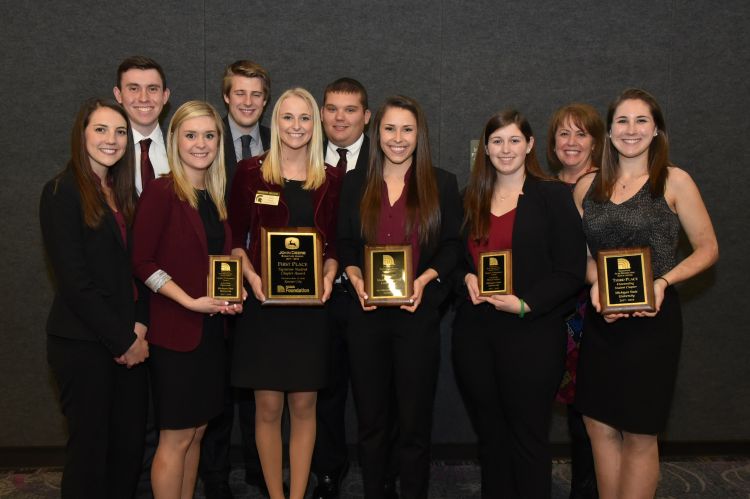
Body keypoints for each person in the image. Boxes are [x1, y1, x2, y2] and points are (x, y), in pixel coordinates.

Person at [573, 88, 719, 499]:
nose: (631, 130)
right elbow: (582, 258)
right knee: (597, 423)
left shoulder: (675, 180)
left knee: (639, 431)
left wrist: (663, 281)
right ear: (610, 129)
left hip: (654, 324)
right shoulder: (587, 186)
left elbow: (708, 248)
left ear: (656, 130)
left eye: (641, 121)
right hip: (604, 320)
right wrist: (597, 284)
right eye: (622, 120)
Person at [452, 110, 586, 498]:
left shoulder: (552, 196)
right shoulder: (469, 198)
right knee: (490, 436)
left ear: (529, 145)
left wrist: (525, 304)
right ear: (485, 149)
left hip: (532, 333)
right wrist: (466, 278)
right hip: (475, 334)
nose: (505, 149)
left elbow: (571, 271)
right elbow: (457, 261)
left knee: (527, 436)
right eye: (497, 141)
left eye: (514, 140)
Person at [337, 95, 462, 498]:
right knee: (371, 422)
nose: (398, 138)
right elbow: (344, 242)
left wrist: (425, 281)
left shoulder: (441, 182)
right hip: (366, 316)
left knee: (413, 423)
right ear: (377, 132)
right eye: (390, 128)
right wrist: (354, 275)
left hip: (416, 315)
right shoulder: (355, 181)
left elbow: (451, 247)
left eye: (407, 129)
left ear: (419, 134)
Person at [228, 87, 342, 499]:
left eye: (304, 118)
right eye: (288, 117)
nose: (296, 126)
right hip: (263, 308)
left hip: (311, 310)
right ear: (275, 123)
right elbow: (233, 239)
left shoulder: (330, 179)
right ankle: (275, 495)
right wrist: (250, 276)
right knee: (268, 408)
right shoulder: (249, 173)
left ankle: (297, 496)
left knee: (304, 407)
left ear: (316, 124)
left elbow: (333, 246)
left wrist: (328, 275)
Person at [40, 98, 150, 498]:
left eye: (120, 132)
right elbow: (74, 282)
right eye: (101, 130)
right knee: (90, 453)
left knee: (127, 450)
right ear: (81, 134)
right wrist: (122, 340)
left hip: (132, 342)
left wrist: (139, 326)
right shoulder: (60, 192)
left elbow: (138, 269)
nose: (112, 139)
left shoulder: (122, 194)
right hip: (84, 345)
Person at [132, 100, 242, 499]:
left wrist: (234, 291)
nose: (201, 144)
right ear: (175, 139)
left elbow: (215, 262)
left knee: (196, 433)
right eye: (191, 135)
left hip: (211, 334)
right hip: (176, 335)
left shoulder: (213, 195)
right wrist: (189, 301)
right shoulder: (162, 191)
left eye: (209, 136)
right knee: (175, 438)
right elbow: (142, 262)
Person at [199, 59, 272, 499]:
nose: (247, 101)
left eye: (256, 94)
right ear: (226, 96)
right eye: (239, 93)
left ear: (266, 101)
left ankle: (260, 469)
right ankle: (216, 476)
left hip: (267, 280)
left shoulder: (281, 144)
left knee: (260, 379)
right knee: (219, 383)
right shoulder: (207, 142)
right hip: (216, 277)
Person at [314, 77, 372, 499]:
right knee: (325, 394)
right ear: (321, 113)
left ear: (366, 117)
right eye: (332, 108)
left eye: (350, 110)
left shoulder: (389, 157)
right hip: (318, 299)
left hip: (371, 298)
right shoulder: (301, 156)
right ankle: (328, 473)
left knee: (375, 394)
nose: (340, 117)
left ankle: (379, 475)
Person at [546, 103, 605, 499]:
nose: (571, 142)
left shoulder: (607, 188)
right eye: (564, 134)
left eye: (581, 134)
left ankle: (587, 490)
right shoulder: (544, 188)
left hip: (594, 310)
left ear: (597, 143)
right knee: (569, 410)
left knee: (592, 411)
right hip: (551, 309)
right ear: (552, 142)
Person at [113, 55, 171, 196]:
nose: (143, 98)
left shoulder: (183, 146)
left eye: (152, 89)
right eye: (133, 89)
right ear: (118, 94)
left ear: (165, 96)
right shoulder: (106, 149)